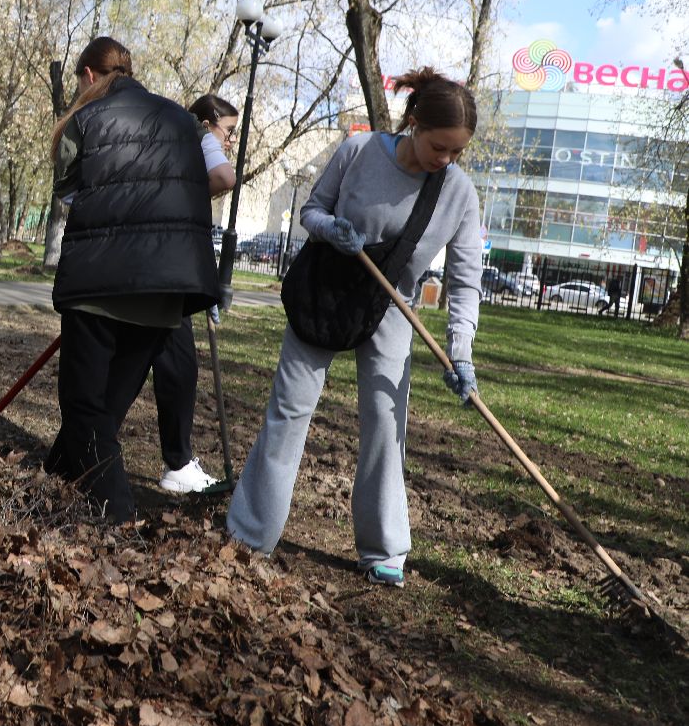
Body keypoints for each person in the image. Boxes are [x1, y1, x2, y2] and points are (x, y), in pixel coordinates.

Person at [227, 67, 483, 588]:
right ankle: (251, 533)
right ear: (414, 123)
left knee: (387, 424)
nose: (445, 159)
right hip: (327, 290)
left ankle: (383, 549)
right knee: (289, 409)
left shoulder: (458, 193)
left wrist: (461, 351)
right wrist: (332, 230)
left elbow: (465, 281)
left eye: (457, 152)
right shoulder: (359, 151)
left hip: (392, 307)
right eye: (439, 147)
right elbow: (312, 211)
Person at [44, 37, 220, 524]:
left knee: (84, 406)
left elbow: (67, 191)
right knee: (104, 410)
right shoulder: (184, 121)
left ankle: (118, 516)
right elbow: (213, 178)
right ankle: (50, 482)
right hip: (165, 289)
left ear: (88, 75)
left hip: (100, 284)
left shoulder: (85, 118)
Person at [137, 93, 241, 495]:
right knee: (176, 365)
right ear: (208, 123)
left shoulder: (173, 150)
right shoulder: (195, 139)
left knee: (147, 362)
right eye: (228, 131)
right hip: (163, 272)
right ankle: (178, 464)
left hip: (161, 268)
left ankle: (88, 445)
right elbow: (225, 178)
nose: (230, 141)